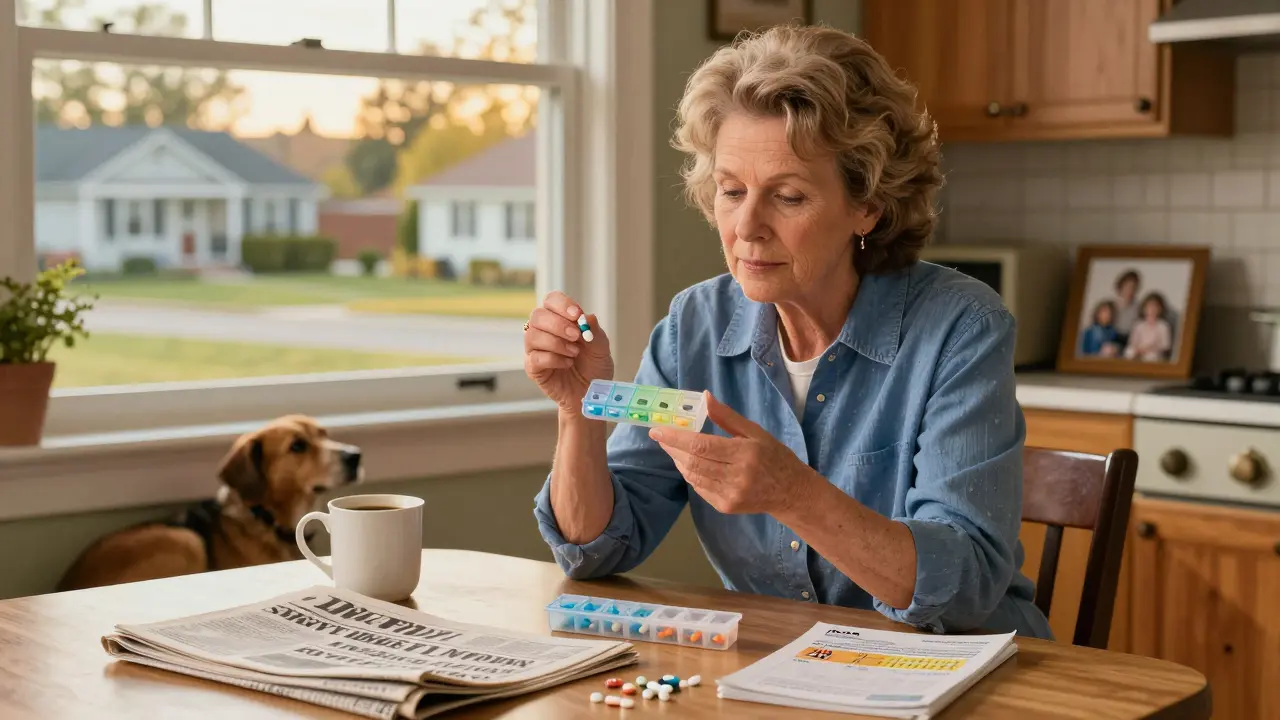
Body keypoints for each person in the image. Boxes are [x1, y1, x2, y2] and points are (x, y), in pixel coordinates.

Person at [524, 25, 1052, 639]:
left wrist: (793, 493)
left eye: (789, 196)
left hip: (962, 673)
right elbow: (597, 550)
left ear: (868, 206)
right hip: (786, 673)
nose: (747, 226)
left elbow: (962, 590)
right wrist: (576, 412)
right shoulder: (692, 328)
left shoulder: (961, 328)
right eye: (730, 190)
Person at [1123, 292, 1174, 362]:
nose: (1152, 309)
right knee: (1129, 352)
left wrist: (1150, 348)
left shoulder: (1163, 326)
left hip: (1154, 352)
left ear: (1160, 309)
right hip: (1139, 350)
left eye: (1155, 307)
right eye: (1149, 306)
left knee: (1151, 356)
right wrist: (1139, 349)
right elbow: (1133, 342)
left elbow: (1165, 346)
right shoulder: (1138, 325)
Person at [1111, 270, 1142, 345]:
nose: (1130, 290)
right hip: (1113, 336)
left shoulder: (1139, 307)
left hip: (1131, 338)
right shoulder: (1112, 305)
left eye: (1133, 287)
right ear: (1121, 286)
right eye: (1127, 286)